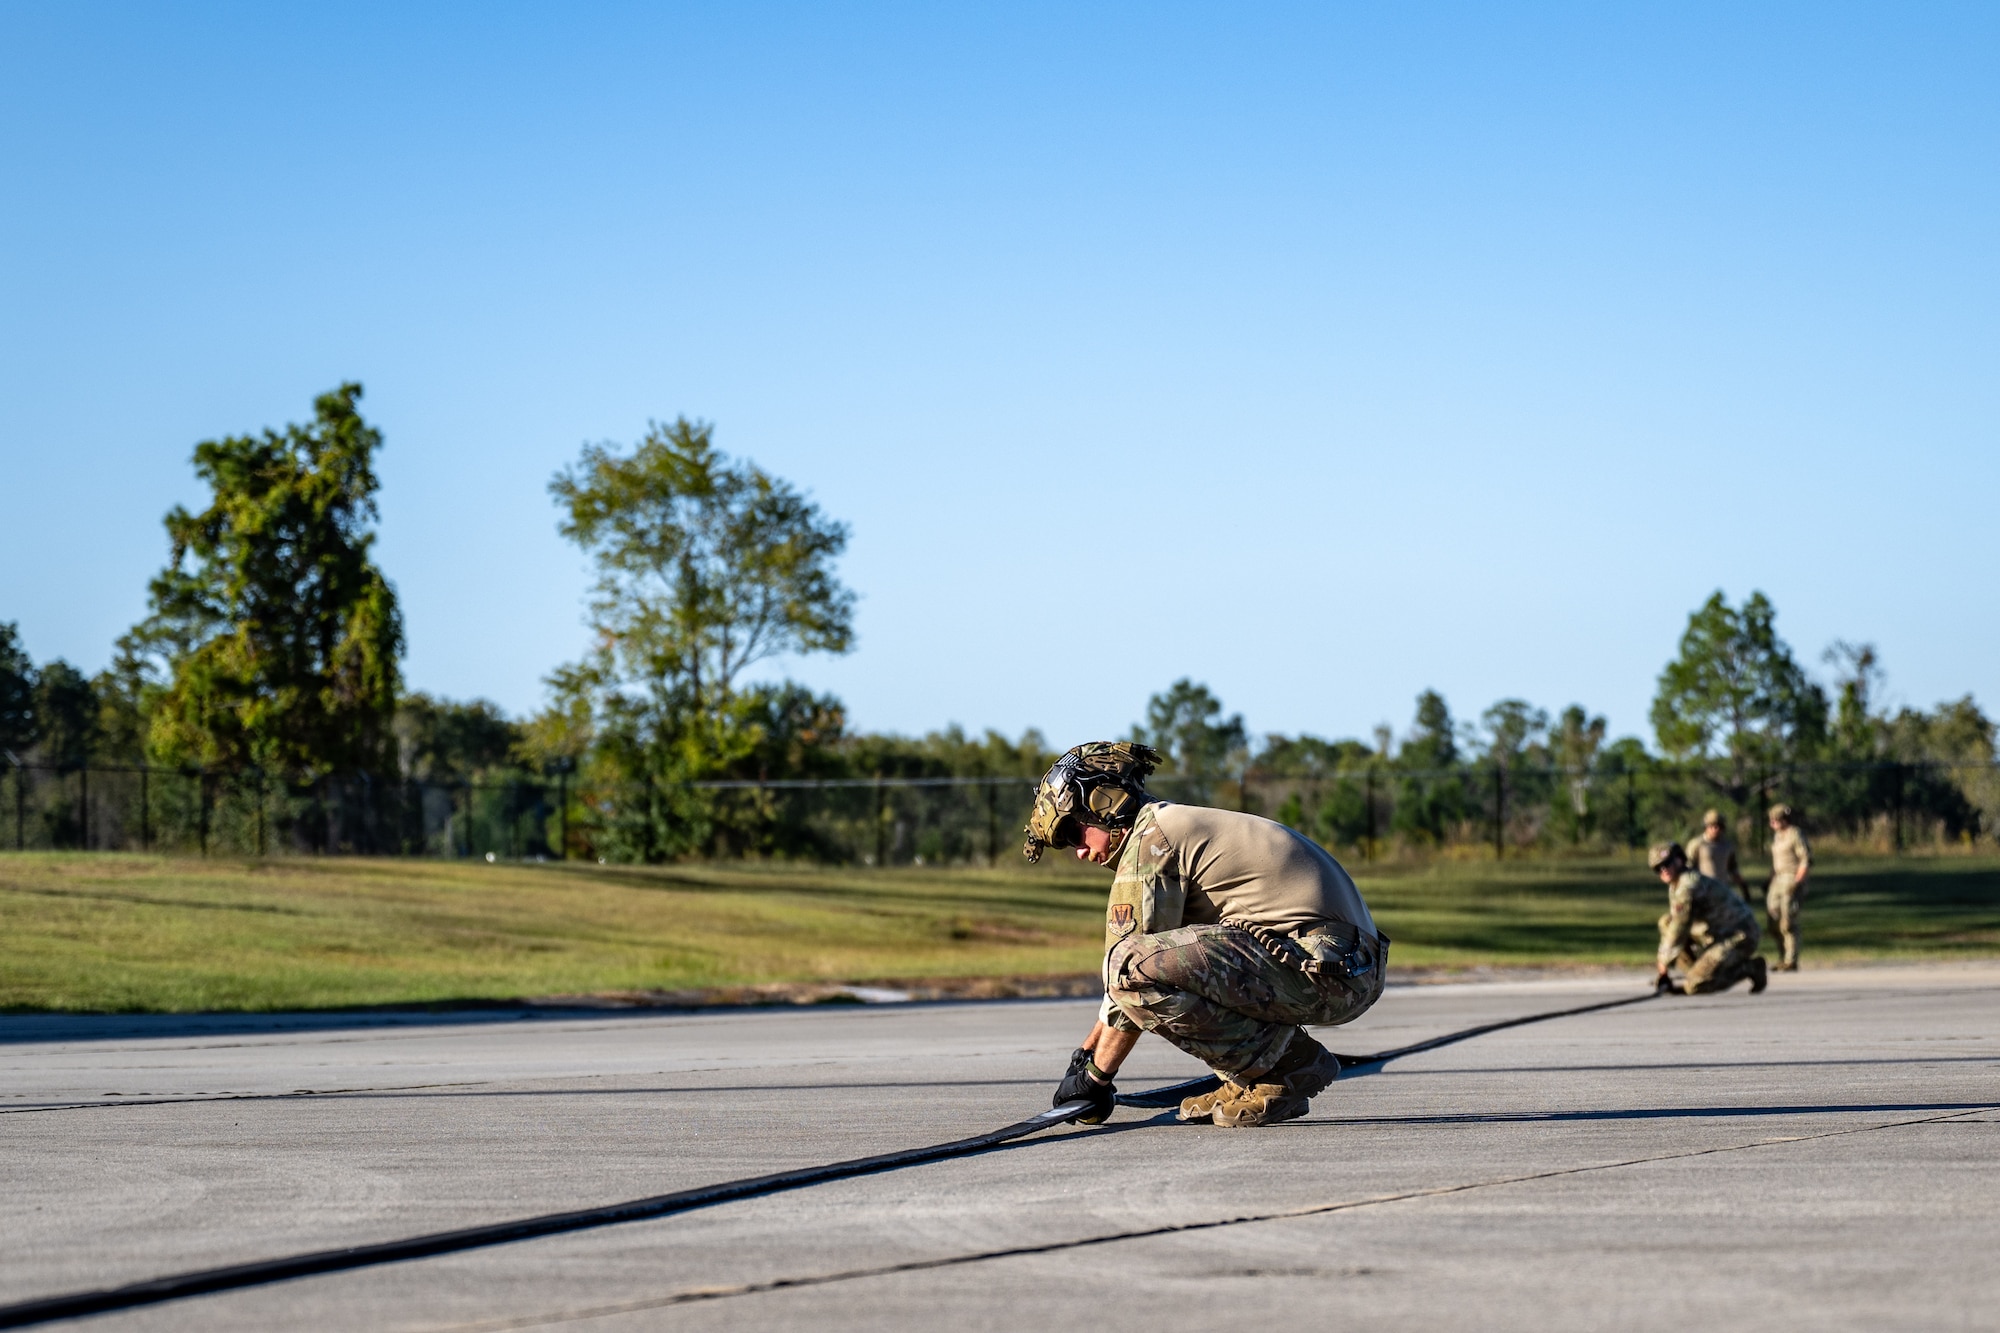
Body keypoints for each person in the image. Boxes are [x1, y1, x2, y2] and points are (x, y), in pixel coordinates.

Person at [1023, 741, 1388, 1129]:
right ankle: (1255, 1076)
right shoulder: (1171, 824)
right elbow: (1139, 979)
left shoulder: (1150, 839)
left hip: (1323, 968)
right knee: (1157, 962)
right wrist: (1085, 1053)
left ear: (1103, 803)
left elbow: (1127, 973)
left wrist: (1094, 1078)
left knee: (1127, 964)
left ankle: (1284, 1068)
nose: (1078, 851)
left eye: (1074, 833)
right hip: (1343, 965)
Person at [1651, 841, 1767, 995]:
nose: (1664, 870)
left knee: (1696, 985)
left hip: (1739, 935)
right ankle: (1696, 972)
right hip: (1716, 934)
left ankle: (1750, 968)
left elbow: (1680, 926)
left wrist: (1663, 967)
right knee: (1666, 922)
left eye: (1667, 863)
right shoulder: (1677, 884)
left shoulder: (1688, 885)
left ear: (1679, 859)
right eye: (1658, 868)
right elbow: (1674, 925)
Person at [1765, 803, 1812, 971]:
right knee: (1773, 920)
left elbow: (1805, 859)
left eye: (1776, 820)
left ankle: (1790, 960)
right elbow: (1776, 861)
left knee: (1787, 922)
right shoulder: (1777, 837)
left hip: (1791, 878)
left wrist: (1798, 881)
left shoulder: (1795, 834)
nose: (1773, 824)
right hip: (1777, 880)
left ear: (1784, 819)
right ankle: (1781, 956)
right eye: (1771, 821)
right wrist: (1770, 880)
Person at [1688, 808, 1747, 899]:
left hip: (1723, 889)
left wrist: (1743, 886)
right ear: (1706, 827)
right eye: (1712, 826)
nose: (1715, 829)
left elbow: (1733, 869)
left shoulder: (1727, 846)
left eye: (1719, 826)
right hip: (1703, 889)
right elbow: (1689, 868)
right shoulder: (1697, 844)